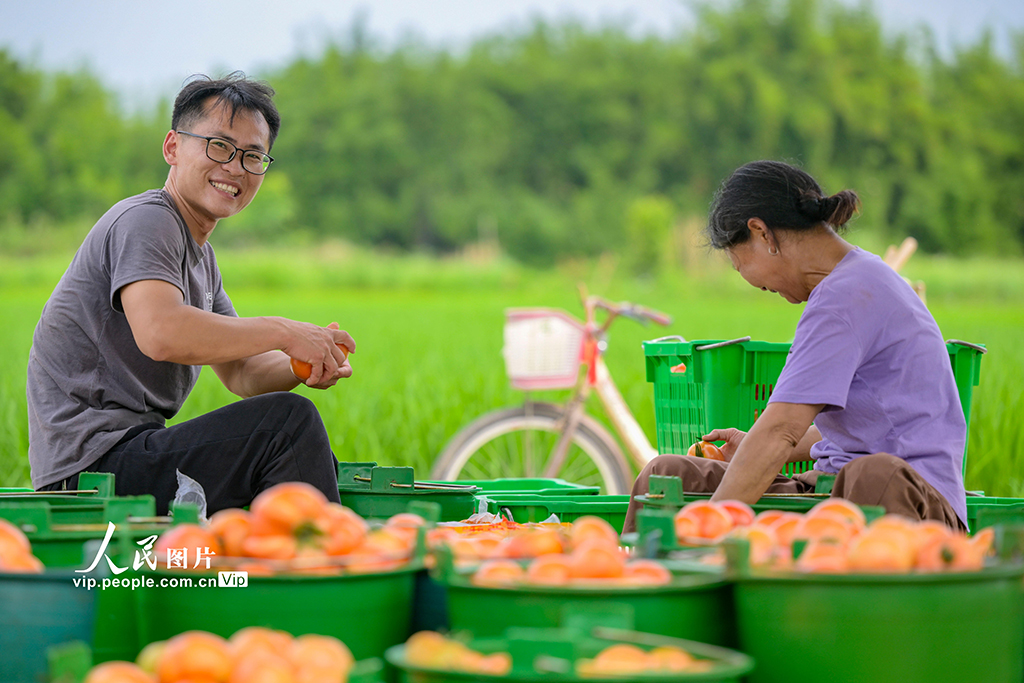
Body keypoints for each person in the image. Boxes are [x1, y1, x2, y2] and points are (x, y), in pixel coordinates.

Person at [27, 73, 354, 515]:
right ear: (173, 147)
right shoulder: (147, 221)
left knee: (300, 451)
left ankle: (284, 567)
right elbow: (162, 333)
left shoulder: (201, 258)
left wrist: (305, 358)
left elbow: (243, 373)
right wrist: (284, 329)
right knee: (286, 426)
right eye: (219, 146)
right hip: (90, 473)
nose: (236, 168)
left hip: (127, 457)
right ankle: (325, 575)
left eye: (253, 156)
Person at [623, 160, 967, 532]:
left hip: (912, 500)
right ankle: (646, 581)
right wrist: (752, 444)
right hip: (827, 488)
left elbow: (781, 429)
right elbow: (862, 428)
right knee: (668, 474)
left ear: (762, 233)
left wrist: (711, 526)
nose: (758, 286)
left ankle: (700, 561)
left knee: (870, 474)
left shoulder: (848, 293)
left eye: (742, 267)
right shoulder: (847, 284)